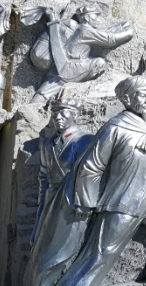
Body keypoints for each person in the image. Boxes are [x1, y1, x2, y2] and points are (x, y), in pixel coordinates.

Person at [28, 76, 146, 286]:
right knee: (102, 254)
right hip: (123, 201)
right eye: (142, 95)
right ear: (127, 99)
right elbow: (92, 165)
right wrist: (85, 201)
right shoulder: (115, 127)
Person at [30, 5, 135, 104]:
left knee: (44, 92)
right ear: (87, 17)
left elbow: (104, 34)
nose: (97, 19)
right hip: (72, 67)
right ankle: (84, 88)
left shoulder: (80, 29)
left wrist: (119, 27)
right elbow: (109, 39)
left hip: (60, 66)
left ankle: (32, 105)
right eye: (95, 16)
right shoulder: (85, 30)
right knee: (99, 62)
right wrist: (128, 34)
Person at [30, 98, 92, 246]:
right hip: (50, 199)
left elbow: (89, 175)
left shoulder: (85, 141)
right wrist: (41, 204)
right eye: (54, 114)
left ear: (75, 115)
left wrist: (84, 202)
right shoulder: (47, 143)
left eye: (63, 113)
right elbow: (43, 175)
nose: (57, 117)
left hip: (71, 201)